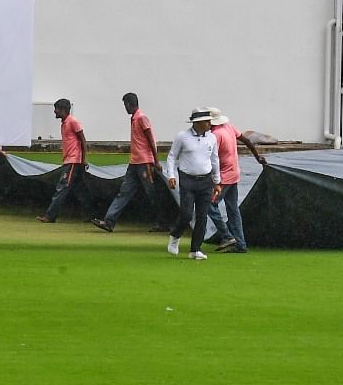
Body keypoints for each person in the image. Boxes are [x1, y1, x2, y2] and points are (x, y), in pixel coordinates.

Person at [92, 92, 171, 232]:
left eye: (125, 105)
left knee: (152, 193)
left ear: (128, 104)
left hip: (144, 162)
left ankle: (163, 221)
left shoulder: (141, 118)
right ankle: (109, 221)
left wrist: (156, 161)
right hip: (134, 162)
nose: (125, 108)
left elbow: (151, 140)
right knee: (124, 192)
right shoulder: (135, 118)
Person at [204, 107, 267, 253]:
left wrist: (213, 179)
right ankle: (241, 243)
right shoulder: (229, 127)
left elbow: (211, 159)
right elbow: (246, 140)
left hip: (224, 177)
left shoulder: (215, 135)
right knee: (233, 210)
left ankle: (227, 236)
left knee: (209, 204)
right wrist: (257, 156)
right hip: (234, 173)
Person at [165, 108, 222, 260]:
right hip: (187, 179)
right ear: (197, 123)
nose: (210, 124)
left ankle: (195, 249)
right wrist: (171, 175)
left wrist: (217, 181)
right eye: (207, 121)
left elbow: (215, 159)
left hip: (206, 180)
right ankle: (175, 236)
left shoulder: (212, 138)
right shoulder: (182, 137)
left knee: (202, 216)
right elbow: (171, 157)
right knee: (187, 214)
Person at [39, 98, 95, 223]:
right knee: (80, 189)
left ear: (63, 110)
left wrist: (84, 159)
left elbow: (83, 140)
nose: (55, 112)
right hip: (71, 160)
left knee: (62, 187)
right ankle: (91, 214)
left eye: (56, 109)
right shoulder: (64, 123)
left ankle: (50, 216)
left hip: (73, 161)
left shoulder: (73, 122)